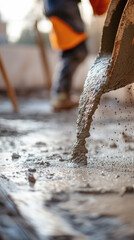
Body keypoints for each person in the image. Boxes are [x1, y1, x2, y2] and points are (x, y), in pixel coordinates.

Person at [43, 0, 110, 111]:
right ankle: (61, 94)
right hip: (63, 6)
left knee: (70, 50)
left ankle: (61, 94)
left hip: (55, 6)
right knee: (77, 51)